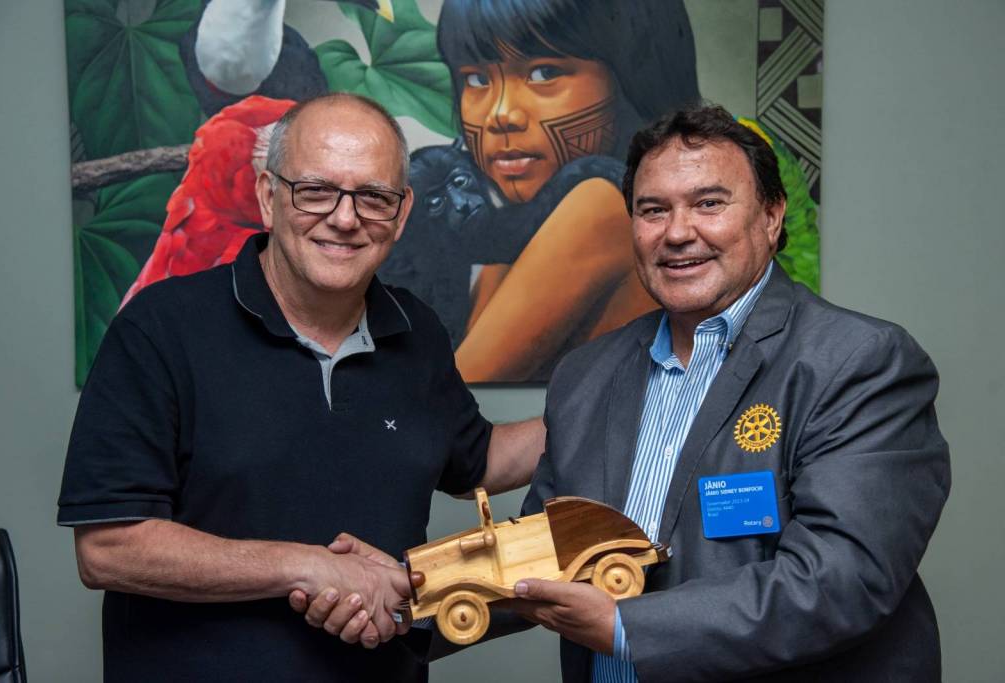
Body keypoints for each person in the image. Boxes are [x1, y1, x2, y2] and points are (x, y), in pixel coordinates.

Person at [308, 104, 951, 681]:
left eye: (709, 203)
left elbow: (842, 580)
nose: (677, 232)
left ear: (771, 216)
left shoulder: (858, 362)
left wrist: (625, 627)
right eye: (653, 210)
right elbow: (541, 558)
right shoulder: (589, 373)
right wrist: (415, 593)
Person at [57, 93, 545, 682]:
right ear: (268, 197)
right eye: (315, 190)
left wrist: (616, 399)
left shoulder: (416, 330)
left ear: (402, 213)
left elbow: (477, 460)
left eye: (374, 197)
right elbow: (108, 548)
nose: (345, 218)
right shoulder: (159, 328)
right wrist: (306, 566)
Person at [436, 0, 701, 381]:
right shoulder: (523, 222)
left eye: (544, 73)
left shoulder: (601, 203)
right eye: (477, 80)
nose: (501, 115)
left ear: (631, 76)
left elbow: (456, 390)